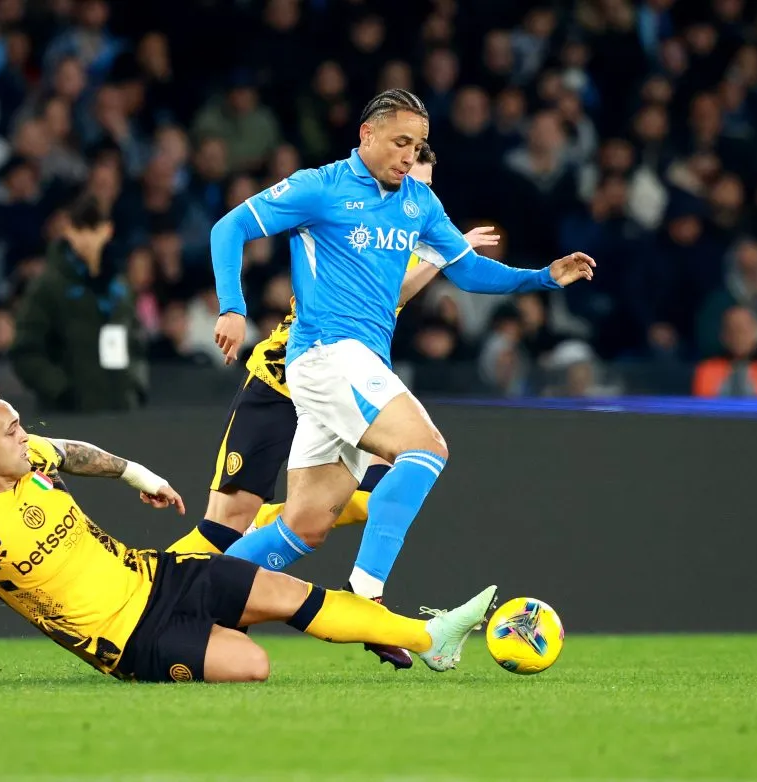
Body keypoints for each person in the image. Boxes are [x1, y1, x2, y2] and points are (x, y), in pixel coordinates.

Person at [209, 89, 593, 658]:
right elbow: (229, 228)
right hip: (326, 354)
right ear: (366, 135)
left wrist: (540, 278)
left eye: (416, 145)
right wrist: (232, 307)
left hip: (355, 365)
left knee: (305, 526)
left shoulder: (418, 203)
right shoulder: (320, 186)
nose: (408, 156)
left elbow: (467, 272)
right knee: (425, 448)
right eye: (399, 142)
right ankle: (367, 598)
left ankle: (193, 596)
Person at [0, 385, 497, 685]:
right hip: (128, 641)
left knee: (290, 593)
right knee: (254, 666)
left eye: (21, 426)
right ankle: (341, 538)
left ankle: (429, 638)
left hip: (157, 575)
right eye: (11, 431)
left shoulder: (31, 462)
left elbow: (76, 453)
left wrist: (138, 475)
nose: (25, 436)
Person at [165, 144, 501, 670]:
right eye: (413, 176)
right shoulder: (349, 218)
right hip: (280, 386)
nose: (417, 192)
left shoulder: (400, 231)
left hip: (333, 390)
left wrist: (440, 254)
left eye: (428, 187)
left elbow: (394, 296)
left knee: (328, 512)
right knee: (227, 522)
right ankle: (160, 596)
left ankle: (356, 607)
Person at [10, 194, 147, 413]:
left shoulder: (119, 287)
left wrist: (135, 387)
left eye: (94, 228)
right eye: (80, 229)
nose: (88, 238)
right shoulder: (48, 287)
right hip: (68, 417)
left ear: (107, 230)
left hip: (121, 412)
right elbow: (25, 352)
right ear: (69, 231)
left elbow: (136, 343)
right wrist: (62, 390)